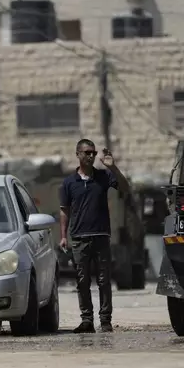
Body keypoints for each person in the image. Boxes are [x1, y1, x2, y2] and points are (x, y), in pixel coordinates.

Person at [58, 139, 130, 333]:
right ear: (78, 154)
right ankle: (86, 320)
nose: (91, 156)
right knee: (82, 281)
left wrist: (113, 167)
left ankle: (105, 320)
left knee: (104, 280)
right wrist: (63, 236)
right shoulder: (68, 183)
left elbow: (125, 188)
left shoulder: (103, 176)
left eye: (93, 152)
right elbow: (64, 210)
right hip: (80, 238)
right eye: (87, 152)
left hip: (101, 236)